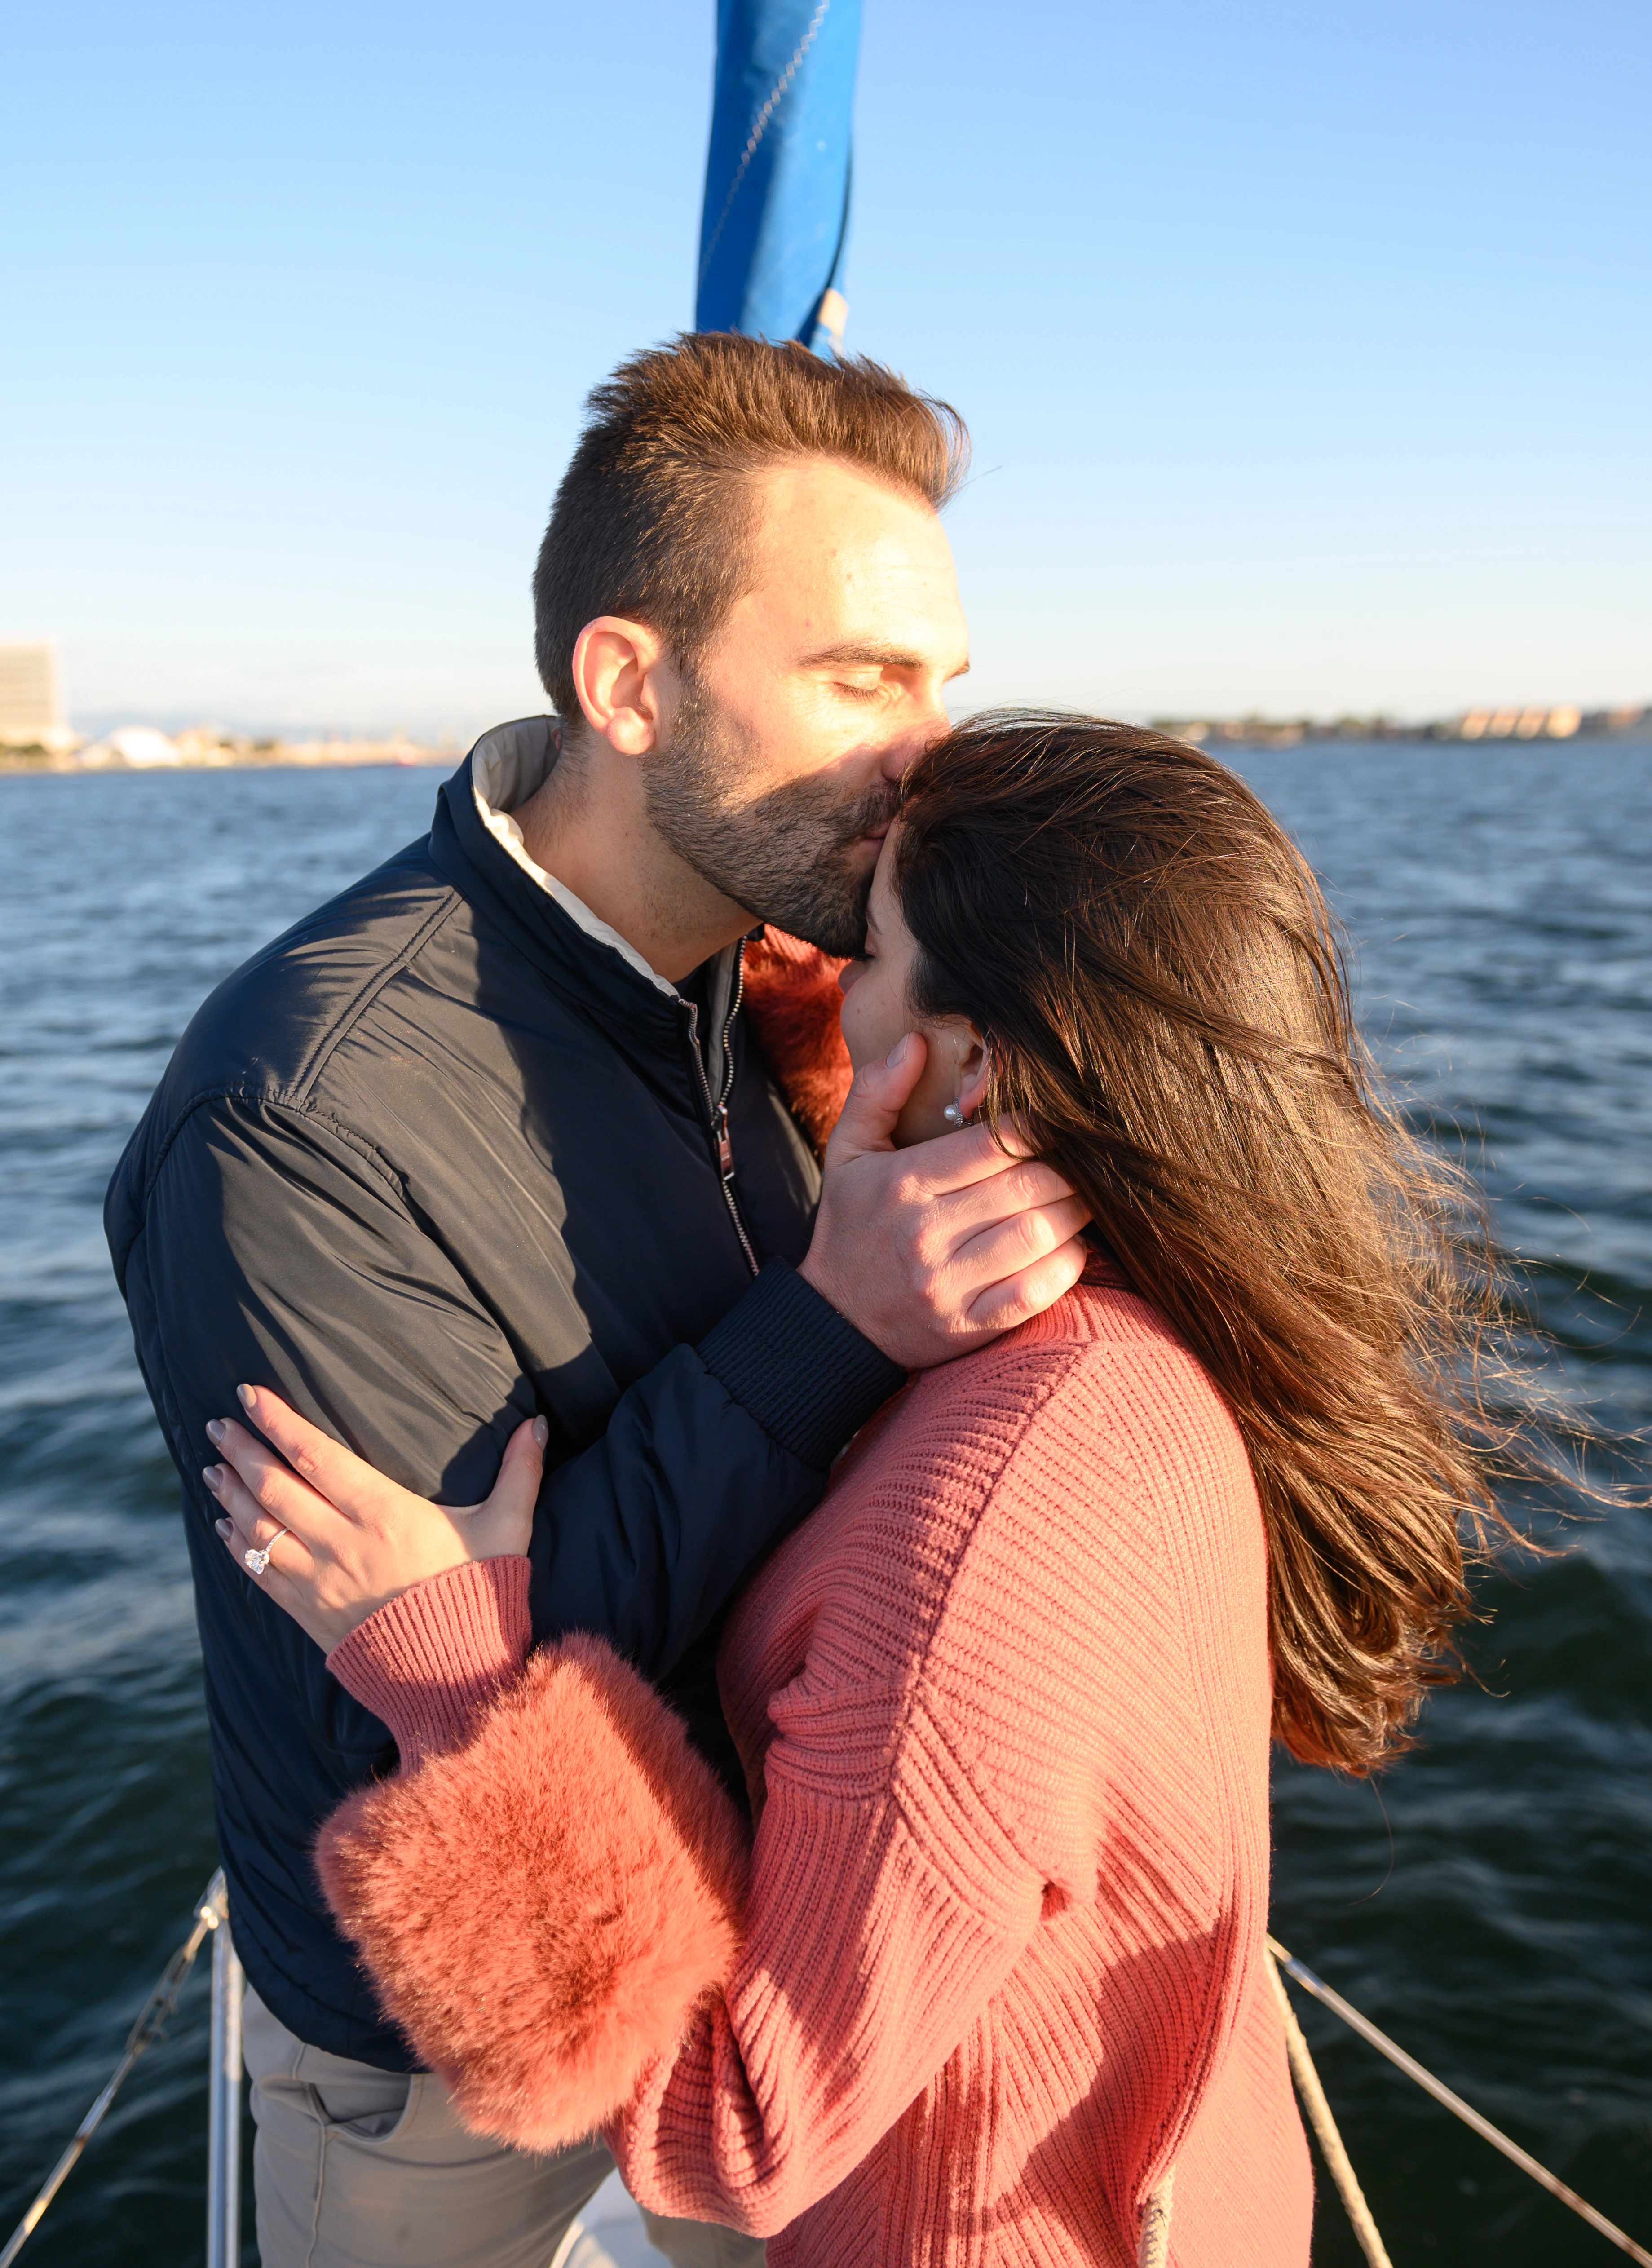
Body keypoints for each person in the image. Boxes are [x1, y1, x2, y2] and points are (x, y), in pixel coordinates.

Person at [201, 716, 1506, 2268]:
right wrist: (824, 1072)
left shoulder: (996, 1505)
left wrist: (455, 1676)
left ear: (974, 1062)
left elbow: (732, 2140)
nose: (813, 961)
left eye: (865, 951)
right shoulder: (1158, 1331)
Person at [104, 342, 1087, 2268]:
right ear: (628, 683)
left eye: (939, 679)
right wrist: (835, 1319)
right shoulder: (297, 1117)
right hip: (446, 2057)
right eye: (861, 678)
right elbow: (422, 1654)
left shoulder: (738, 974)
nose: (930, 748)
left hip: (752, 1944)